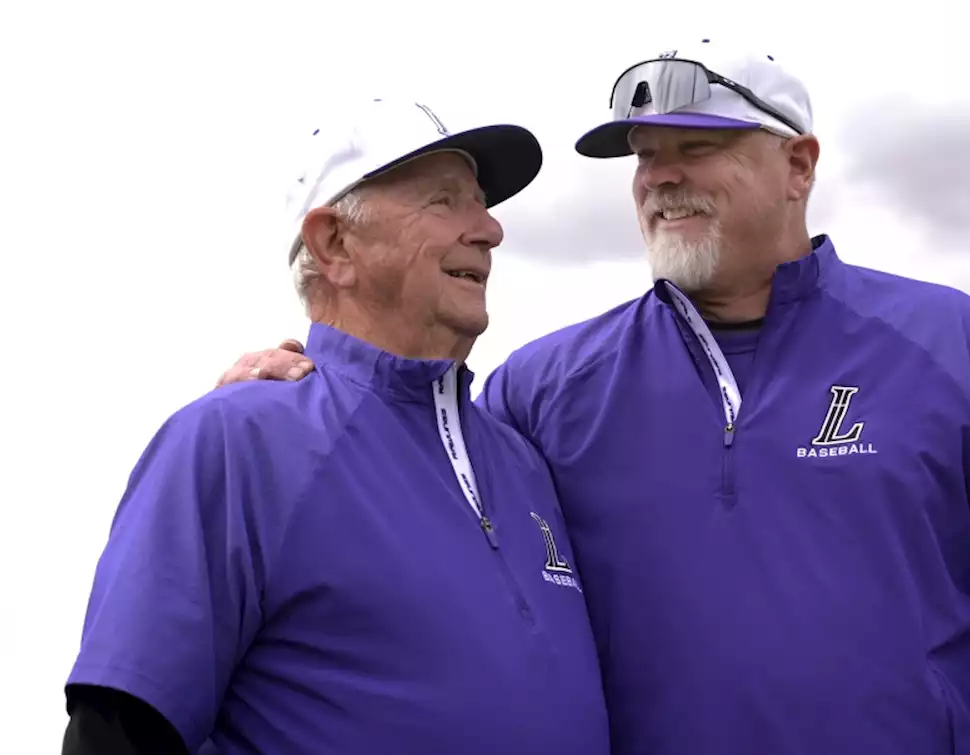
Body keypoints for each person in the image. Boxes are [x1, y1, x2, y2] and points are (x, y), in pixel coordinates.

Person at [218, 42, 970, 754]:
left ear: (799, 166)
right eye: (644, 154)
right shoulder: (541, 391)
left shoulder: (954, 345)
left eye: (699, 147)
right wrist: (298, 397)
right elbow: (404, 492)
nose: (662, 175)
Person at [63, 98, 610, 755]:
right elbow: (117, 733)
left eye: (481, 203)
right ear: (335, 244)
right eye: (444, 200)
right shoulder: (235, 443)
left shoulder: (521, 460)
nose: (489, 229)